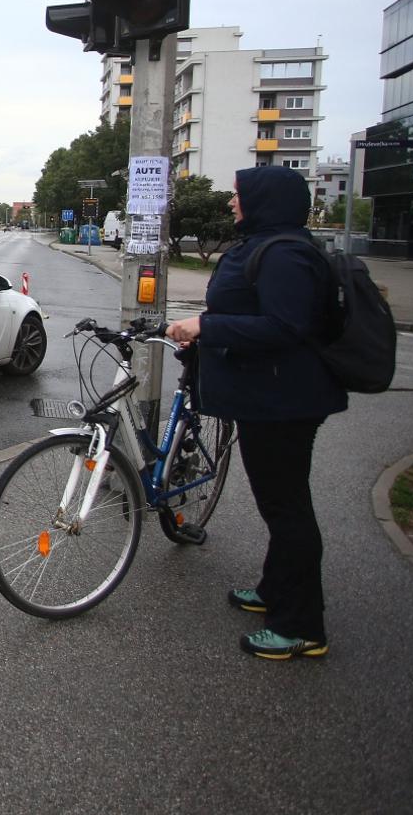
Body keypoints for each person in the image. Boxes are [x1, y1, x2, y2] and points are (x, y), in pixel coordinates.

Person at [164, 165, 346, 661]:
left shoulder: (286, 253)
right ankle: (274, 590)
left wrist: (206, 325)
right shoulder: (269, 243)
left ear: (267, 200)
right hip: (269, 398)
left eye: (239, 194)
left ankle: (302, 626)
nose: (231, 202)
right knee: (278, 504)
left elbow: (284, 328)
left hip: (285, 403)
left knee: (288, 510)